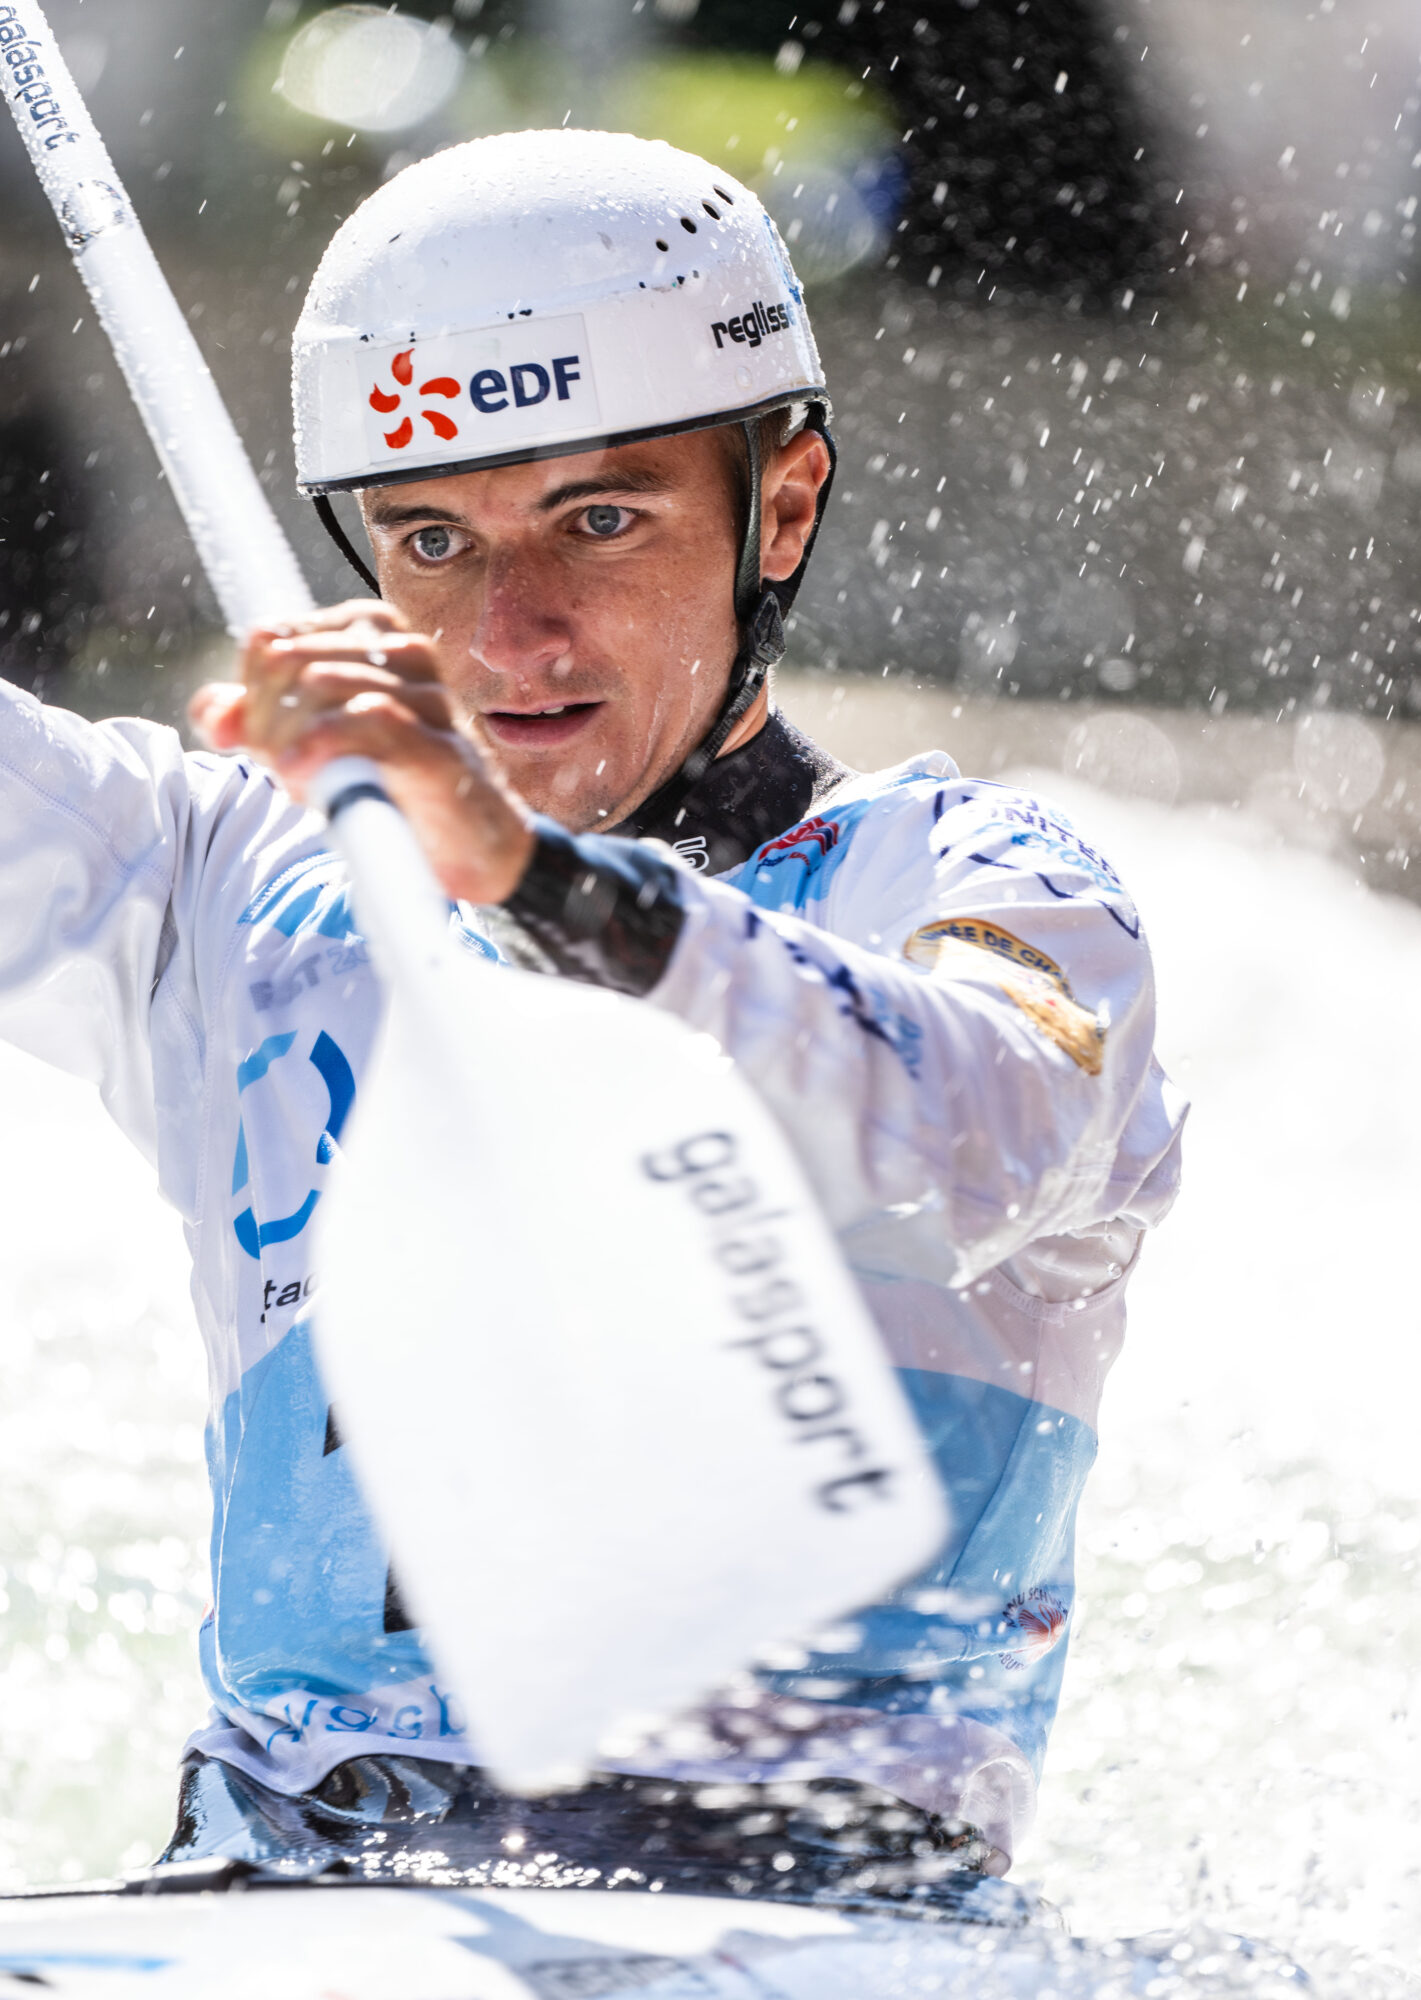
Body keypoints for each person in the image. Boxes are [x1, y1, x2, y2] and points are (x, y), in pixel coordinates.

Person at [0, 129, 1183, 1900]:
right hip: (276, 1888)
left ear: (781, 506)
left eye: (598, 520)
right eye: (430, 540)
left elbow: (973, 1140)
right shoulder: (214, 881)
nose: (509, 635)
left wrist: (532, 882)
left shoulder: (987, 888)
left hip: (824, 1904)